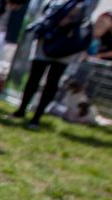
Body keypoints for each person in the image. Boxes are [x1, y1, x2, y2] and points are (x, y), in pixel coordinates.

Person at [12, 0, 96, 129]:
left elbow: (84, 14)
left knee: (52, 81)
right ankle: (22, 109)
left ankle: (37, 117)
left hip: (67, 42)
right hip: (47, 37)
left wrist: (68, 18)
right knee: (34, 77)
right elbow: (46, 9)